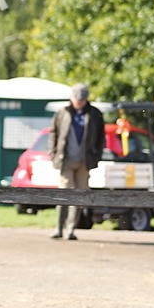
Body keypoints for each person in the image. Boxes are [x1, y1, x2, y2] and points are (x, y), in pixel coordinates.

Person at [48, 83, 105, 240]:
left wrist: (97, 156)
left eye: (82, 99)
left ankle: (71, 229)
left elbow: (101, 137)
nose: (79, 102)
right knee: (64, 192)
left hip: (84, 161)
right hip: (66, 160)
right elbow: (53, 133)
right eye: (77, 99)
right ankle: (58, 228)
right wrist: (53, 154)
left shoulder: (94, 114)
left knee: (80, 194)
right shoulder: (62, 113)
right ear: (71, 98)